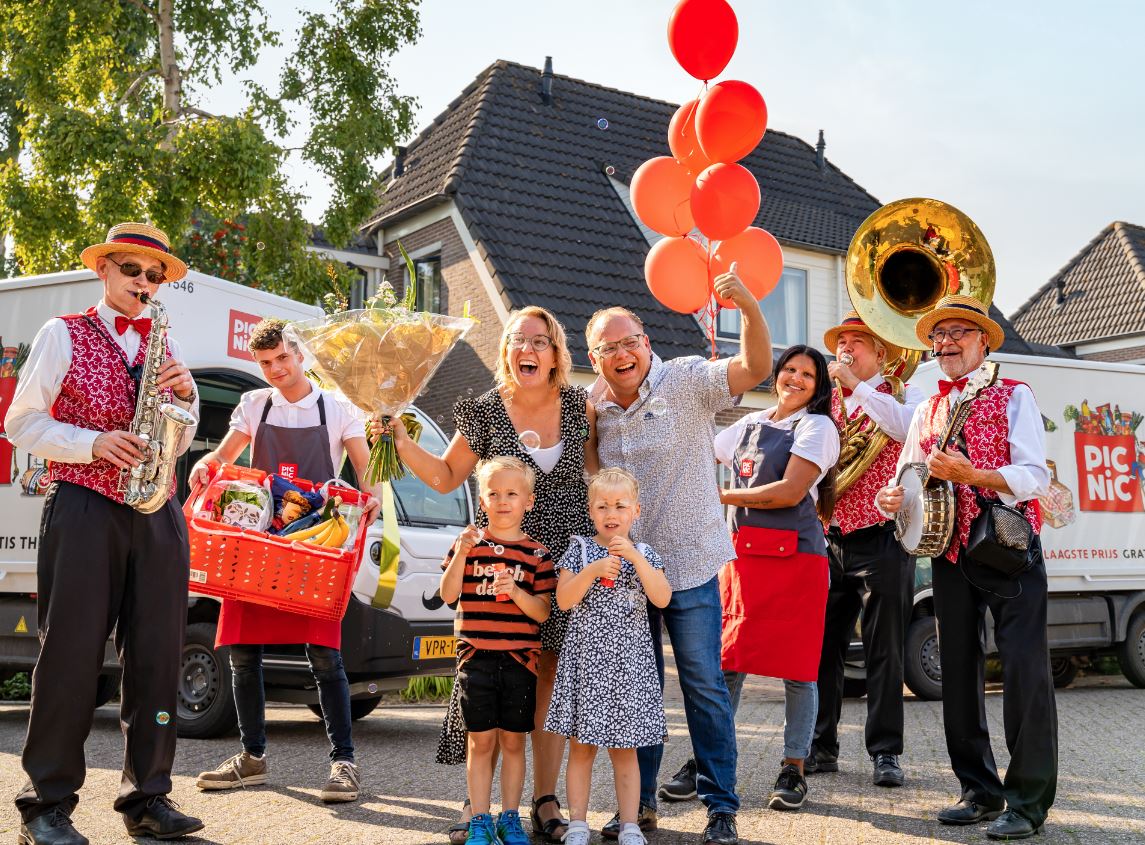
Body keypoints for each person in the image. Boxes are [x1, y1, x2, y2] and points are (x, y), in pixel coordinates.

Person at [5, 222, 204, 844]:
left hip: (157, 510)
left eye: (154, 275)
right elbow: (20, 423)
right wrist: (92, 443)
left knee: (157, 656)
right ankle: (47, 806)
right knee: (70, 655)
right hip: (85, 505)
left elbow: (180, 428)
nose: (143, 283)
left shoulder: (165, 345)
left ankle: (148, 797)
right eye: (131, 270)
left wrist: (189, 398)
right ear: (105, 271)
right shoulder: (61, 333)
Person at [373, 306, 595, 843]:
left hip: (557, 560)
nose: (530, 350)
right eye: (520, 341)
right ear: (506, 351)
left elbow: (592, 477)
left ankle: (543, 803)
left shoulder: (577, 406)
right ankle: (481, 812)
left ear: (556, 353)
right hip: (496, 560)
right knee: (490, 675)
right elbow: (448, 476)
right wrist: (402, 441)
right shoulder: (485, 411)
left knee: (546, 678)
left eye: (540, 342)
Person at [588, 266, 773, 845]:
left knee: (703, 689)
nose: (622, 354)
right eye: (607, 347)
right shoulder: (597, 408)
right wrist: (591, 429)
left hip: (691, 569)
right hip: (628, 575)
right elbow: (597, 480)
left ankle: (721, 808)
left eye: (629, 342)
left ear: (647, 343)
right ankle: (638, 808)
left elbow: (755, 368)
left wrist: (748, 308)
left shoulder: (688, 379)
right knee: (638, 695)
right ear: (594, 359)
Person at [876, 295, 1056, 841]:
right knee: (957, 673)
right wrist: (892, 495)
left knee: (1025, 674)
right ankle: (978, 789)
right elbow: (909, 474)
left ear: (982, 341)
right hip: (951, 553)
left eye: (958, 332)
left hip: (1007, 548)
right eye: (940, 334)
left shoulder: (1013, 395)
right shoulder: (928, 407)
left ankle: (1026, 802)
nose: (946, 342)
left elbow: (1034, 477)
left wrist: (972, 474)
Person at [190, 318, 380, 803]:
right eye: (265, 363)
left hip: (314, 541)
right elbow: (225, 457)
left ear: (300, 355)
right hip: (257, 541)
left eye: (282, 359)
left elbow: (365, 468)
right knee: (242, 653)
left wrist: (373, 498)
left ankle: (344, 764)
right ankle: (252, 757)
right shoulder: (255, 405)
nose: (275, 369)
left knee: (325, 656)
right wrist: (203, 465)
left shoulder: (338, 408)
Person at [714, 345, 841, 812]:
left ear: (819, 385)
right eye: (790, 369)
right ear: (777, 374)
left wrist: (720, 495)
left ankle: (794, 768)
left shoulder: (818, 426)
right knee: (730, 661)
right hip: (743, 559)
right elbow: (702, 449)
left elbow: (789, 492)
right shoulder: (748, 423)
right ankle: (713, 759)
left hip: (797, 563)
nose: (796, 378)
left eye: (808, 374)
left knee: (798, 671)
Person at [808, 311, 925, 786]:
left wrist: (858, 387)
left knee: (886, 650)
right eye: (843, 341)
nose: (847, 349)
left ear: (883, 353)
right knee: (822, 649)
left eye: (858, 341)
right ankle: (819, 747)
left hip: (884, 537)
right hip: (831, 537)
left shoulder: (903, 396)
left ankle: (885, 752)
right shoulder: (825, 400)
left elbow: (904, 431)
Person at [545, 468, 672, 845]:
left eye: (619, 505)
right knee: (581, 750)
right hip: (586, 666)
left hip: (627, 670)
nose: (610, 513)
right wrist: (592, 570)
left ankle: (630, 824)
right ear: (590, 511)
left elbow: (662, 597)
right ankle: (579, 822)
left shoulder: (645, 552)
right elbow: (564, 600)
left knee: (624, 752)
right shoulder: (580, 549)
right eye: (601, 506)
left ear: (636, 511)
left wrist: (635, 557)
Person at [441, 457, 555, 845]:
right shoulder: (468, 546)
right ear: (482, 500)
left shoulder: (537, 555)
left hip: (520, 660)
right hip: (476, 657)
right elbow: (448, 594)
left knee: (513, 740)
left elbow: (542, 612)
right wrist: (460, 552)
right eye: (494, 493)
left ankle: (510, 817)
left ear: (529, 501)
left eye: (512, 493)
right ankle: (479, 818)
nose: (503, 500)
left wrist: (516, 592)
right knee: (480, 740)